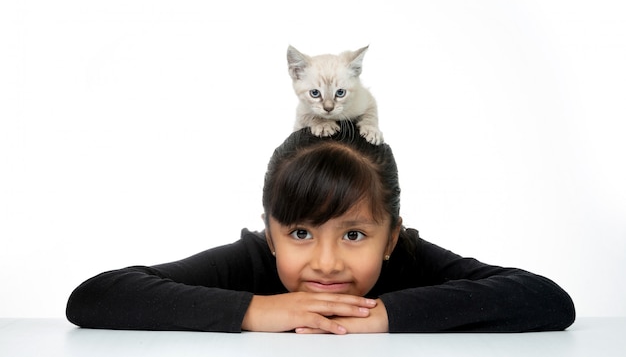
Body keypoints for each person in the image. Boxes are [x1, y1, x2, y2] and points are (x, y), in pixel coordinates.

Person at [66, 122, 575, 334]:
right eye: (301, 234)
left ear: (391, 236)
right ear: (271, 233)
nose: (326, 263)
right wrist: (259, 309)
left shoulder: (410, 258)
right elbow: (95, 296)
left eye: (354, 235)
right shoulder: (252, 261)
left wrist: (385, 316)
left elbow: (546, 298)